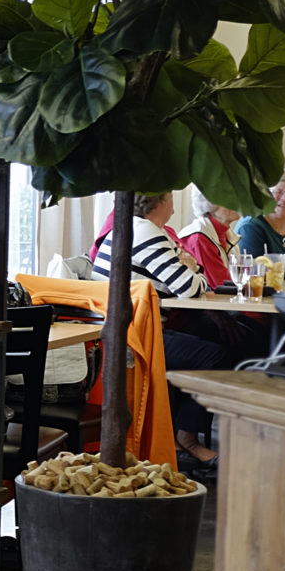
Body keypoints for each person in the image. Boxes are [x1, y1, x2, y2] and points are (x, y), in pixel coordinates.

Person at [91, 192, 227, 466]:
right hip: (135, 336)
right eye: (171, 198)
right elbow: (189, 285)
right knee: (216, 356)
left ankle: (176, 435)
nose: (174, 205)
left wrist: (193, 272)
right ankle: (187, 440)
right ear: (162, 202)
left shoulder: (133, 228)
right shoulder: (146, 233)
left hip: (123, 329)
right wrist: (194, 274)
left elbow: (191, 271)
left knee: (212, 334)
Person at [232, 172, 285, 260]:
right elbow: (252, 272)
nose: (284, 198)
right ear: (265, 195)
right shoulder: (250, 227)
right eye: (278, 192)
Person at [174, 190, 238, 289]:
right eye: (228, 198)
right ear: (210, 205)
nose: (236, 202)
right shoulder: (200, 238)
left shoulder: (227, 234)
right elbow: (220, 284)